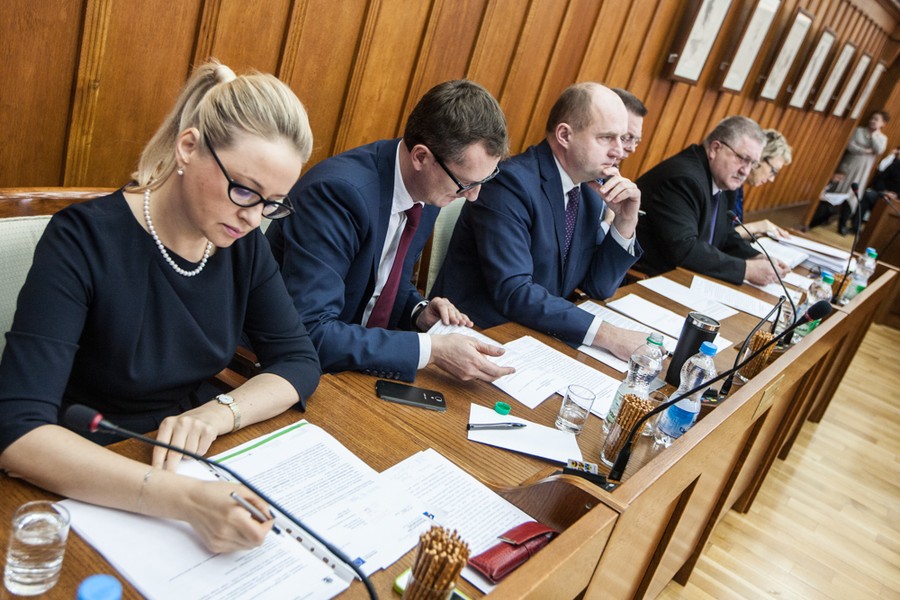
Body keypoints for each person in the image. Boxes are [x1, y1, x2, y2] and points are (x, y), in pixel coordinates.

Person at [0, 60, 321, 553]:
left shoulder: (242, 244)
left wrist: (219, 414)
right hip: (88, 467)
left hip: (190, 458)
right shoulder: (82, 241)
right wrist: (184, 500)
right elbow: (18, 432)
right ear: (188, 147)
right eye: (243, 190)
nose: (253, 218)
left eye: (272, 203)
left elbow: (298, 360)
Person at [266, 80, 515, 383]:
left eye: (483, 181)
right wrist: (431, 349)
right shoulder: (338, 195)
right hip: (290, 370)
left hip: (356, 364)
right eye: (466, 183)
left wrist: (417, 311)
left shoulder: (431, 188)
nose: (473, 196)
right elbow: (311, 330)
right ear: (421, 157)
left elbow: (377, 279)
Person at [430, 82, 646, 360]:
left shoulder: (589, 192)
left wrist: (625, 221)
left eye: (622, 138)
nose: (619, 151)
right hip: (477, 335)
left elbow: (598, 287)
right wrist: (609, 335)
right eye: (606, 138)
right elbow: (515, 292)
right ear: (565, 135)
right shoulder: (510, 183)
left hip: (535, 337)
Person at [635, 115, 789, 286]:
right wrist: (746, 270)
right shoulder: (683, 179)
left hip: (685, 279)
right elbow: (684, 250)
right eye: (743, 159)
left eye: (752, 163)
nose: (745, 171)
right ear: (715, 149)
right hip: (650, 280)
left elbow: (725, 235)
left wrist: (756, 257)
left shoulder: (724, 181)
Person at [728, 129, 792, 239]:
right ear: (759, 157)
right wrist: (757, 227)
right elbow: (717, 236)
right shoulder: (727, 181)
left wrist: (756, 233)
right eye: (773, 171)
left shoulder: (739, 185)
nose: (772, 179)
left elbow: (732, 231)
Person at [835, 111, 889, 234]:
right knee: (839, 190)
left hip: (862, 171)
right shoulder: (858, 131)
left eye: (876, 120)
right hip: (849, 165)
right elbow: (850, 145)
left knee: (853, 195)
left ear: (883, 123)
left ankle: (842, 224)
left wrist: (874, 136)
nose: (873, 121)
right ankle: (824, 216)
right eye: (872, 118)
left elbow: (879, 150)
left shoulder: (882, 138)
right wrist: (865, 150)